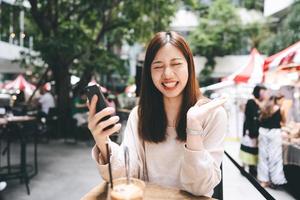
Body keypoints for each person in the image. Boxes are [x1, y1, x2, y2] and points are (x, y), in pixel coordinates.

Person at [88, 31, 227, 197]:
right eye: (158, 66)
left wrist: (194, 128)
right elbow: (126, 176)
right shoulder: (139, 115)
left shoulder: (213, 115)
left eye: (176, 64)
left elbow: (200, 189)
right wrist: (102, 141)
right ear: (149, 72)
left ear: (189, 66)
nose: (167, 74)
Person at [257, 95, 287, 188]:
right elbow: (284, 122)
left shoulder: (264, 108)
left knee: (263, 157)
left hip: (263, 132)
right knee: (275, 157)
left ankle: (264, 181)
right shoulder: (280, 109)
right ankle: (276, 180)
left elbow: (260, 120)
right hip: (274, 133)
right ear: (276, 100)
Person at [239, 85, 267, 177]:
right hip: (250, 130)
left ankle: (252, 167)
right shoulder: (251, 102)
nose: (264, 94)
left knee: (253, 149)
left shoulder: (260, 102)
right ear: (257, 92)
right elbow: (249, 118)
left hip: (255, 130)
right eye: (262, 92)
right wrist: (251, 131)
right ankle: (244, 167)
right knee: (247, 147)